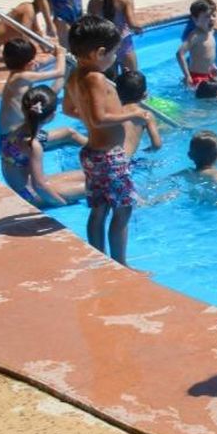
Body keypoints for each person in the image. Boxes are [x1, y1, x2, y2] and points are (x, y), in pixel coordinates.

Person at [64, 15, 152, 266]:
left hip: (93, 154)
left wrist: (90, 116)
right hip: (109, 157)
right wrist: (131, 113)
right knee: (123, 209)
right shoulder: (95, 78)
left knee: (99, 209)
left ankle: (101, 260)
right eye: (114, 53)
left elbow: (69, 110)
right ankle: (121, 264)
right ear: (100, 52)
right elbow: (101, 118)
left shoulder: (75, 76)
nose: (115, 57)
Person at [0, 85, 86, 209]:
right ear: (52, 116)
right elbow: (39, 186)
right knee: (98, 188)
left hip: (25, 189)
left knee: (92, 175)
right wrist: (61, 203)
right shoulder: (33, 145)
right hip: (32, 195)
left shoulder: (13, 130)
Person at [0, 38, 75, 143]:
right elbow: (59, 72)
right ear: (29, 63)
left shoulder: (15, 75)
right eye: (34, 57)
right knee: (70, 133)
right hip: (17, 140)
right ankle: (99, 155)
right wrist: (61, 55)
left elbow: (42, 64)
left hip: (11, 136)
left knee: (47, 95)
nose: (36, 60)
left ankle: (69, 66)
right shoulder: (23, 77)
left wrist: (54, 55)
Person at [86, 0, 143, 74]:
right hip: (124, 45)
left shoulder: (93, 3)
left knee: (109, 83)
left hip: (104, 49)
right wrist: (139, 29)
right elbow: (132, 24)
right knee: (133, 80)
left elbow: (90, 27)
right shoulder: (125, 0)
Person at [176, 0, 217, 96]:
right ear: (195, 19)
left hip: (209, 75)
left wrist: (213, 66)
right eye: (207, 16)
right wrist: (187, 76)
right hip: (197, 78)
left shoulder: (211, 32)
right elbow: (180, 54)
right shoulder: (195, 36)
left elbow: (207, 54)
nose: (212, 19)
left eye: (214, 15)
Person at [174, 130, 217, 206]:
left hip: (196, 204)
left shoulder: (186, 173)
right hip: (214, 205)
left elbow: (165, 181)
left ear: (190, 155)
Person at [114, 70, 162, 157]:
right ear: (145, 94)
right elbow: (157, 145)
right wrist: (144, 152)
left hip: (106, 157)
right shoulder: (146, 115)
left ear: (116, 93)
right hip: (124, 161)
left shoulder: (112, 113)